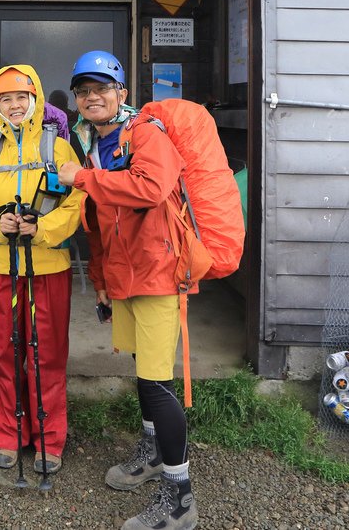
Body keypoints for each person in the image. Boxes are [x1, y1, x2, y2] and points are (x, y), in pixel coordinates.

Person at [57, 50, 198, 530]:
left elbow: (152, 188)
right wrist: (100, 280)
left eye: (101, 88)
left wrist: (82, 178)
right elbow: (99, 222)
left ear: (121, 93)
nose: (92, 97)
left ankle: (180, 498)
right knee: (143, 370)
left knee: (157, 382)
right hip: (125, 275)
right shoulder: (94, 142)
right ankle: (154, 450)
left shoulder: (144, 133)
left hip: (157, 273)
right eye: (83, 90)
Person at [0, 65, 83, 475]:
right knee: (7, 351)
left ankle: (50, 439)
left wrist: (41, 228)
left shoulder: (58, 147)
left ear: (36, 100)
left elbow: (77, 200)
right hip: (1, 266)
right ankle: (8, 434)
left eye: (21, 97)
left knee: (46, 354)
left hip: (48, 266)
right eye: (5, 99)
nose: (14, 106)